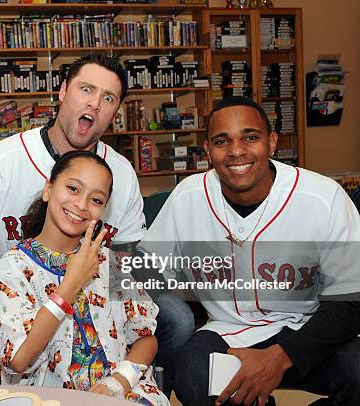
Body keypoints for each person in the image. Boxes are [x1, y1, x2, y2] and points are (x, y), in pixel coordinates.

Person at [0, 54, 194, 395]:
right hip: (24, 291)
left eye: (108, 98)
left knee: (177, 317)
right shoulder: (0, 161)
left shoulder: (121, 171)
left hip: (105, 286)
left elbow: (133, 253)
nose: (95, 102)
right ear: (62, 91)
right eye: (86, 89)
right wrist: (6, 307)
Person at [139, 96, 360, 406]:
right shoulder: (188, 196)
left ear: (271, 142)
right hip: (228, 332)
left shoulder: (324, 197)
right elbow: (147, 270)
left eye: (250, 137)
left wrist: (280, 358)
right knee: (193, 374)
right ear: (208, 152)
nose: (237, 151)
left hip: (306, 330)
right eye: (222, 141)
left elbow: (351, 302)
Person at [0, 150, 170, 405]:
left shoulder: (110, 263)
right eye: (72, 188)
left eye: (95, 199)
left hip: (118, 394)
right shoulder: (12, 270)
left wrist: (117, 384)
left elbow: (146, 337)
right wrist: (69, 285)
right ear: (48, 189)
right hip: (47, 398)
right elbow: (18, 360)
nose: (81, 205)